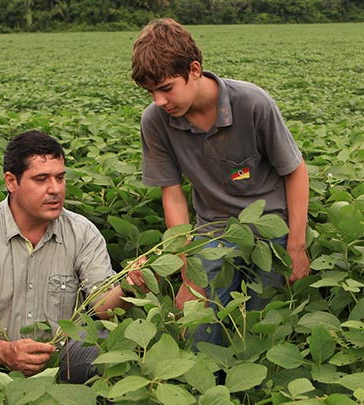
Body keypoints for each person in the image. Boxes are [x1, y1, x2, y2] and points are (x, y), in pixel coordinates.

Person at [131, 18, 311, 347]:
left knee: (263, 330)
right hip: (212, 231)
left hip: (270, 227)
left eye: (167, 88)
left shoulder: (253, 103)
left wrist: (296, 247)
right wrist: (186, 267)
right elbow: (173, 196)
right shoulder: (156, 121)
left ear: (195, 70)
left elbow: (295, 172)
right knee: (198, 329)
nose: (159, 100)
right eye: (150, 92)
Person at [0, 130, 147, 384]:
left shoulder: (82, 233)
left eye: (60, 178)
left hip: (65, 361)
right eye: (41, 179)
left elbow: (103, 308)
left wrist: (129, 286)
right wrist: (4, 352)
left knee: (108, 352)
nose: (55, 189)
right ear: (11, 182)